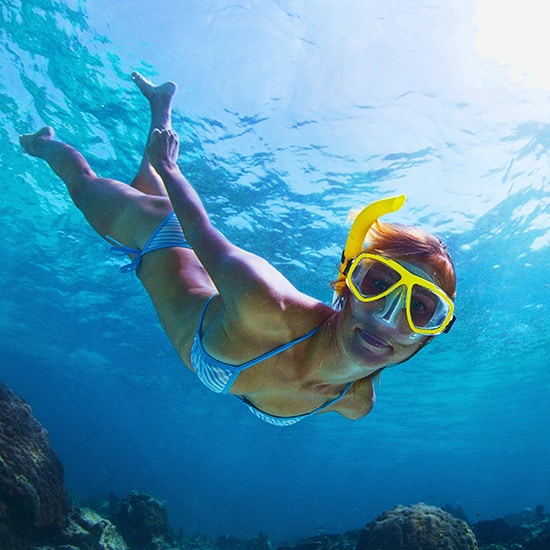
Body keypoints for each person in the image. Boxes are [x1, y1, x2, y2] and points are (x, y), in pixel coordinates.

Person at [19, 73, 456, 426]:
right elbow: (201, 231)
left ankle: (160, 108)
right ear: (345, 285)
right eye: (377, 284)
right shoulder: (265, 303)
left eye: (421, 309)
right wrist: (169, 167)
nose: (386, 316)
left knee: (140, 186)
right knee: (84, 188)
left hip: (195, 278)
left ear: (431, 335)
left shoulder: (354, 402)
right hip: (158, 234)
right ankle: (43, 143)